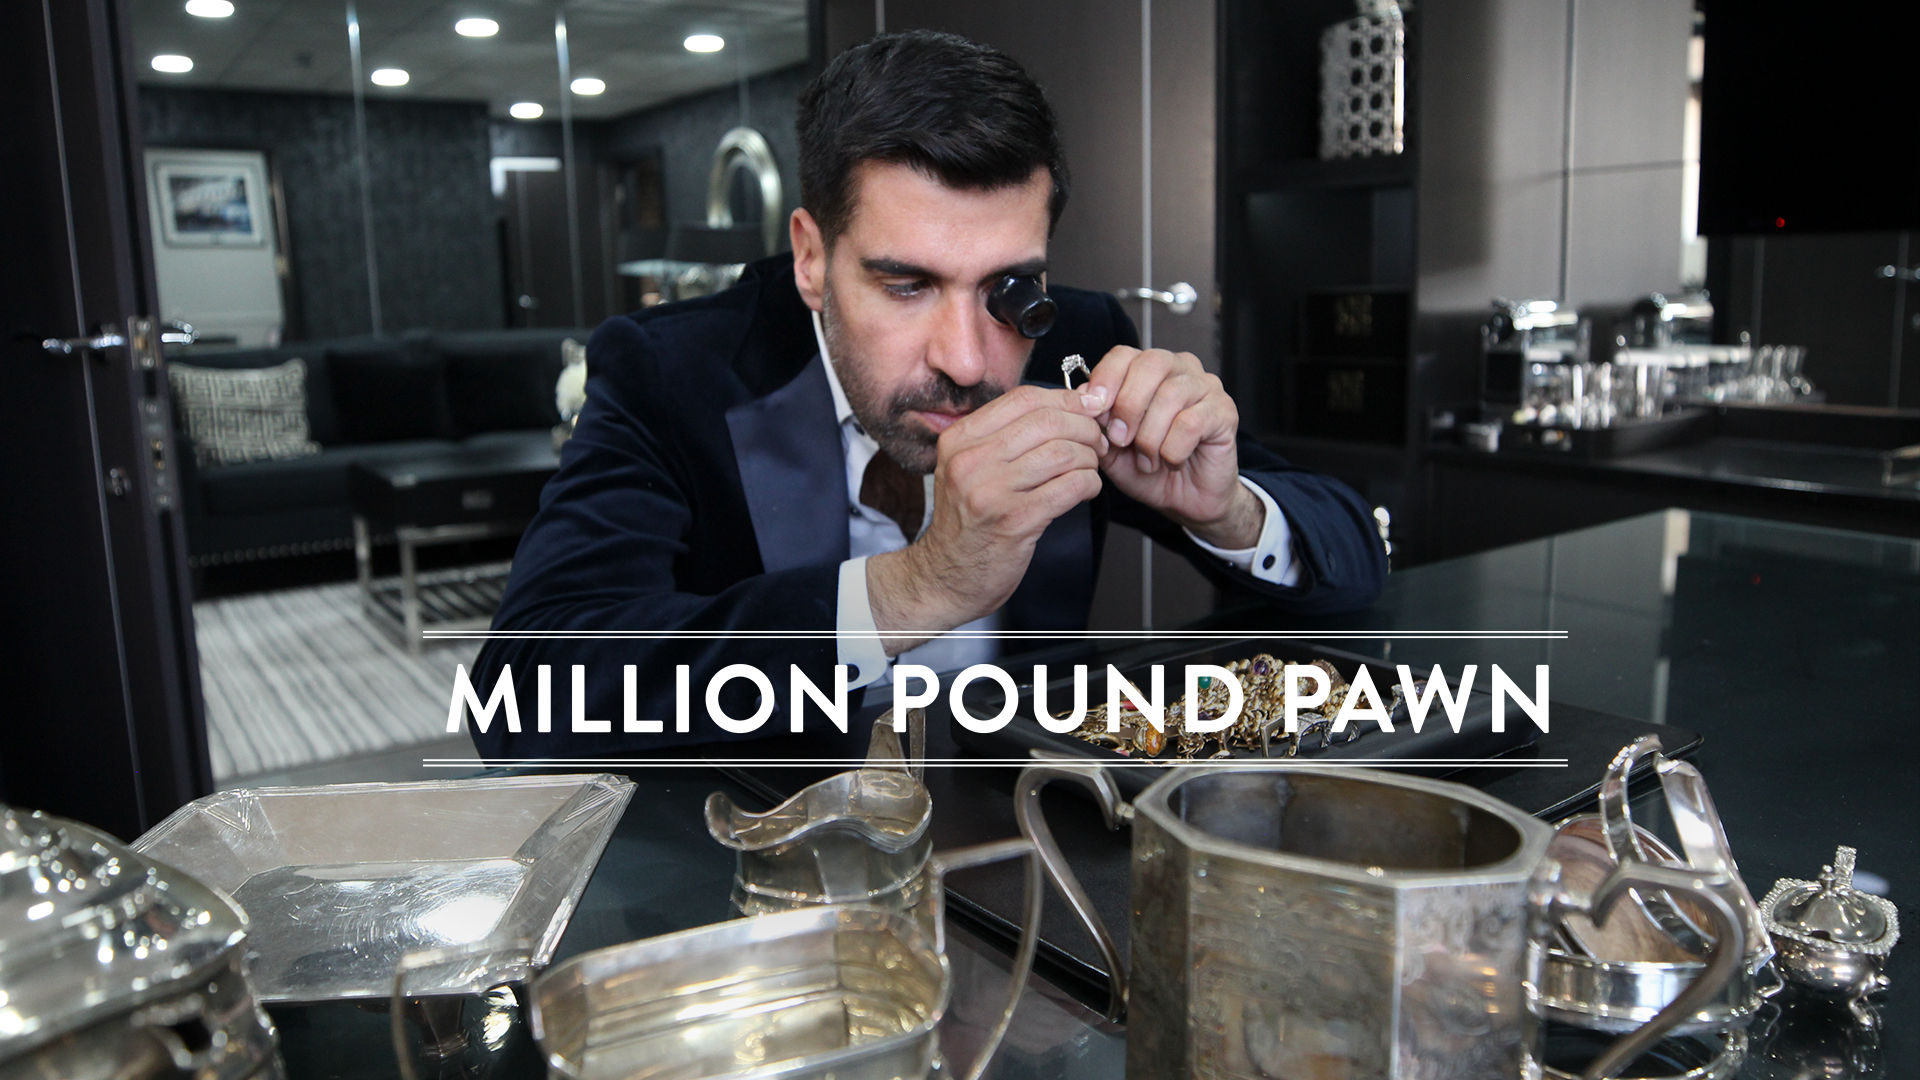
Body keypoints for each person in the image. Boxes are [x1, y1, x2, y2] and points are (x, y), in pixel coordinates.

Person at [467, 30, 1386, 756]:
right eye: (906, 286)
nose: (966, 359)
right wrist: (918, 587)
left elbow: (1355, 555)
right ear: (812, 259)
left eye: (1008, 289)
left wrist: (1227, 511)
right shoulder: (670, 370)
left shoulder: (1078, 337)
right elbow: (521, 695)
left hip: (1028, 833)